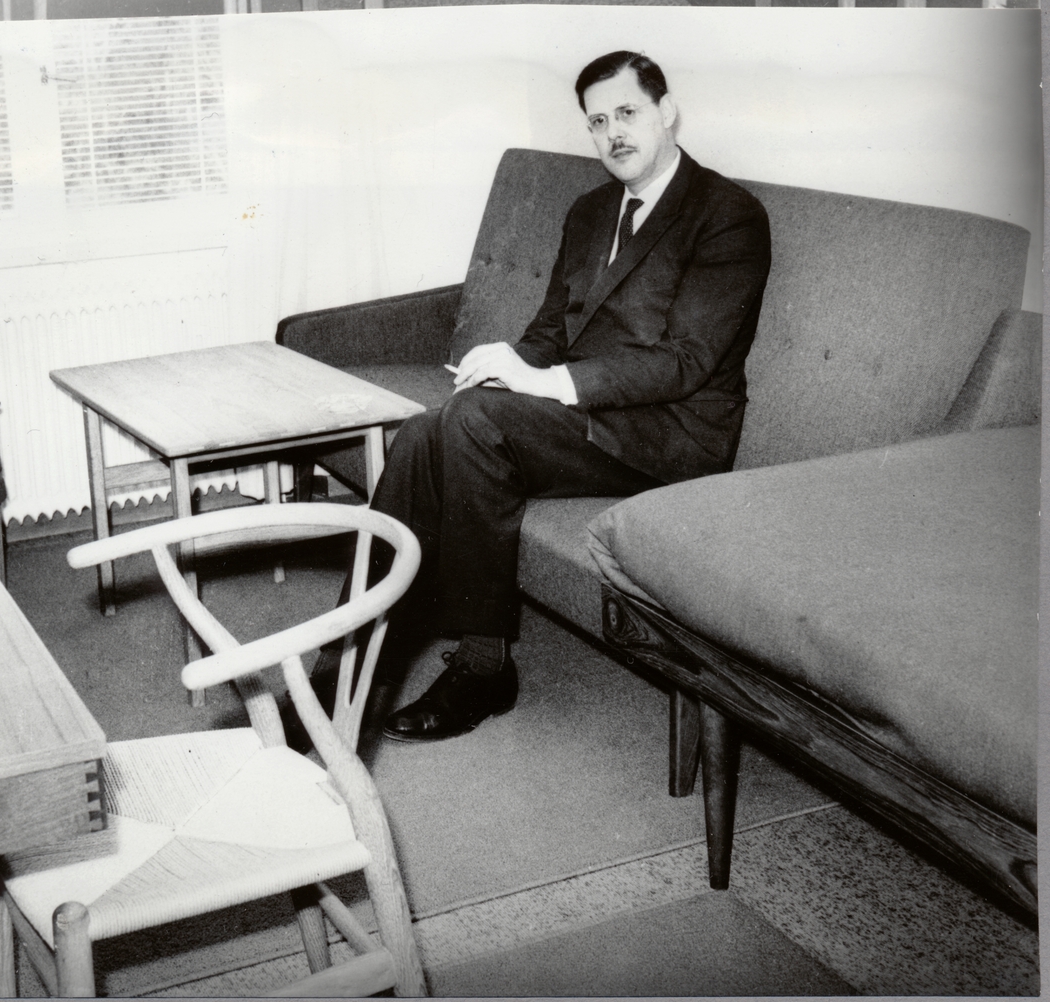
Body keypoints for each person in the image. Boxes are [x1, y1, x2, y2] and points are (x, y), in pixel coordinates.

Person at [299, 49, 772, 746]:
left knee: (473, 425)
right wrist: (509, 363)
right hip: (585, 419)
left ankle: (483, 668)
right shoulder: (590, 210)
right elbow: (554, 328)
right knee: (430, 428)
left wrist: (544, 384)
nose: (613, 133)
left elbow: (687, 362)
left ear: (667, 112)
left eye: (628, 113)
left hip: (668, 436)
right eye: (598, 121)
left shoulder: (726, 215)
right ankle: (345, 667)